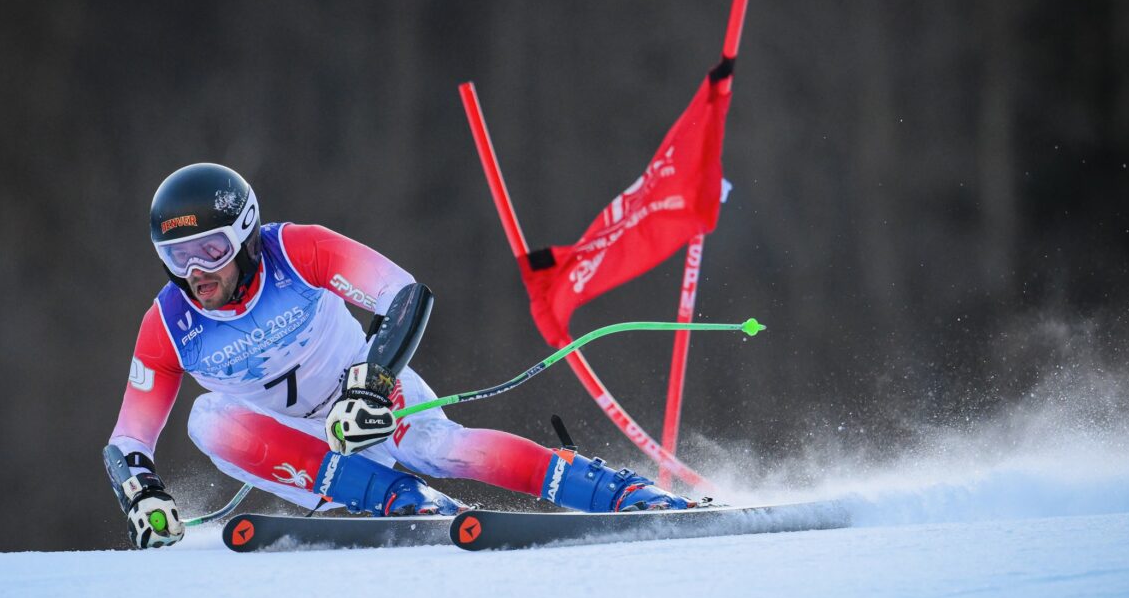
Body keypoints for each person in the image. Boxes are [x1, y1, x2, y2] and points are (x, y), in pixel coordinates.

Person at [105, 163, 693, 548]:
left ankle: (614, 492)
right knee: (207, 418)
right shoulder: (169, 324)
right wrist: (144, 493)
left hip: (363, 392)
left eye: (209, 249)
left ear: (246, 232)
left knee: (440, 446)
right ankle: (394, 500)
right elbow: (127, 442)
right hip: (290, 444)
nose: (196, 272)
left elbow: (406, 296)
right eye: (176, 255)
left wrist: (370, 385)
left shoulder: (297, 249)